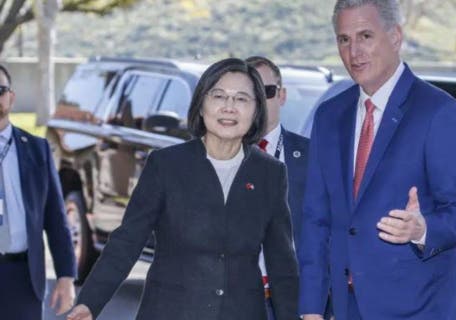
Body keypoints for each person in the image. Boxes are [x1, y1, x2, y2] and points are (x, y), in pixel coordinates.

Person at [67, 58, 299, 320]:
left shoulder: (270, 173)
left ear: (257, 110)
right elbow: (127, 241)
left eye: (242, 99)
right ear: (201, 105)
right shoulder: (166, 165)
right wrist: (89, 302)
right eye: (219, 95)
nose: (229, 107)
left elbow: (282, 262)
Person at [297, 1, 456, 319]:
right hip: (345, 305)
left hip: (421, 306)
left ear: (395, 36)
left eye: (365, 36)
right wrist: (311, 306)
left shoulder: (440, 112)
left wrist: (422, 229)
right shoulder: (330, 115)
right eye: (344, 39)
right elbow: (316, 217)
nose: (354, 52)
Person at [245, 56, 320, 320]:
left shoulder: (313, 157)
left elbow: (328, 235)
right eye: (249, 93)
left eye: (266, 91)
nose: (258, 101)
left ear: (282, 95)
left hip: (293, 304)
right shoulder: (216, 157)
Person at [0, 64, 77, 320]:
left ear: (11, 97)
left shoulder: (36, 149)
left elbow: (56, 220)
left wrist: (66, 277)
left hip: (22, 276)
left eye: (0, 90)